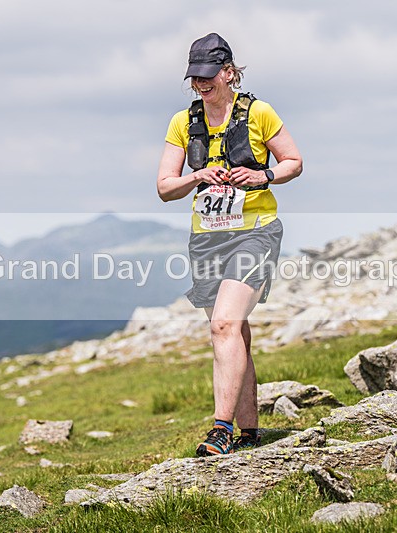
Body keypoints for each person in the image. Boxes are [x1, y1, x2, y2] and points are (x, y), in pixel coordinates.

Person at [157, 33, 302, 456]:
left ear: (228, 72)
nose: (201, 85)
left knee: (223, 324)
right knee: (231, 331)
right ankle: (250, 432)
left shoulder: (259, 113)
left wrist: (264, 176)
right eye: (194, 78)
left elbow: (294, 161)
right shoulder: (182, 123)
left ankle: (220, 429)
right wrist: (197, 177)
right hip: (207, 237)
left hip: (255, 231)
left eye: (208, 77)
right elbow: (165, 187)